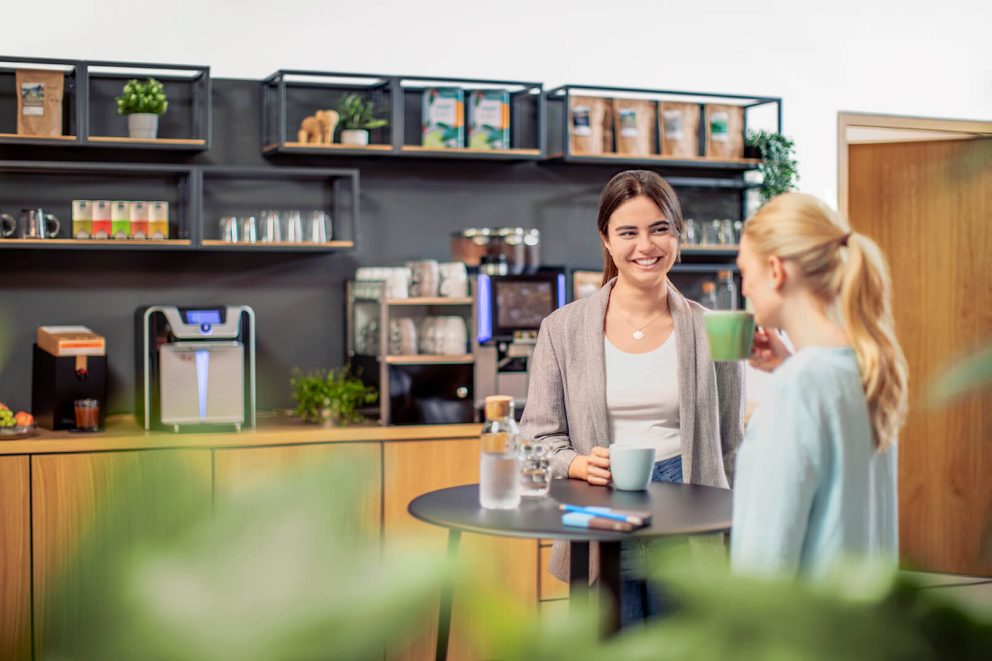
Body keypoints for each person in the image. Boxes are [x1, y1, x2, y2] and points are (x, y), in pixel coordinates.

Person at [521, 170, 744, 624]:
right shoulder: (561, 329)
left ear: (677, 234)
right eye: (629, 232)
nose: (646, 246)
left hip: (689, 514)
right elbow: (536, 440)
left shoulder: (719, 329)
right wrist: (579, 464)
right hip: (602, 512)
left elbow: (731, 446)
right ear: (606, 239)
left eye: (660, 229)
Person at [731, 192, 909, 580]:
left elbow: (763, 567)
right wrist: (789, 366)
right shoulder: (866, 369)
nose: (743, 288)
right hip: (862, 632)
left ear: (776, 271)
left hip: (803, 636)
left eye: (745, 272)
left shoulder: (796, 391)